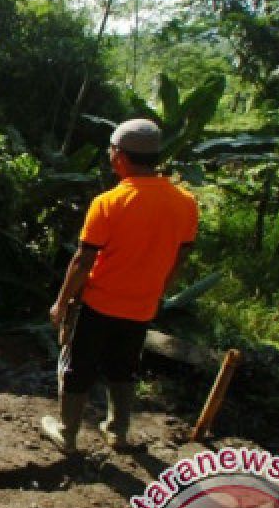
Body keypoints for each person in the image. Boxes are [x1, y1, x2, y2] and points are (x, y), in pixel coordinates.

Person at [41, 119, 199, 454]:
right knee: (123, 366)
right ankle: (118, 430)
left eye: (111, 151)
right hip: (142, 305)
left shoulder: (109, 202)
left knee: (78, 365)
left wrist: (61, 302)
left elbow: (83, 261)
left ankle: (67, 432)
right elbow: (181, 256)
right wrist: (158, 291)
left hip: (99, 303)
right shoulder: (185, 202)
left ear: (120, 156)